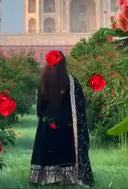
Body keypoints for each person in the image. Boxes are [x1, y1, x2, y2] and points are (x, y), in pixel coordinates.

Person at [29, 50, 94, 187]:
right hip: (68, 125)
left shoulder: (44, 80)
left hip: (48, 124)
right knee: (66, 151)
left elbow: (40, 105)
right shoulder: (71, 80)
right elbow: (80, 104)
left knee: (49, 150)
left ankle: (47, 178)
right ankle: (69, 177)